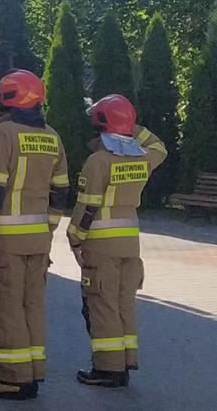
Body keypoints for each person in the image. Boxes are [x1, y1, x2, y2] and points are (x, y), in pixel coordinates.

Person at [0, 70, 71, 401]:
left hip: (7, 238)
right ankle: (33, 370)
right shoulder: (53, 136)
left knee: (7, 307)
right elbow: (61, 190)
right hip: (38, 239)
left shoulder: (4, 133)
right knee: (32, 305)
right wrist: (49, 227)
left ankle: (13, 378)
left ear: (8, 98)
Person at [68, 94, 168, 389]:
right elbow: (159, 146)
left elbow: (87, 207)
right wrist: (130, 125)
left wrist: (74, 238)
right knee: (125, 304)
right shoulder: (142, 158)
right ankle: (125, 362)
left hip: (100, 244)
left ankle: (108, 369)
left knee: (103, 305)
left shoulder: (98, 161)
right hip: (130, 245)